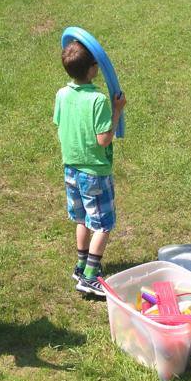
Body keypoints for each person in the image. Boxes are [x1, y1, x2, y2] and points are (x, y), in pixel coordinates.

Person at [54, 39, 126, 297]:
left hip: (70, 169)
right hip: (94, 172)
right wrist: (117, 111)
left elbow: (59, 123)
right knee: (103, 224)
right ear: (94, 69)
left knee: (82, 219)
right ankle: (90, 276)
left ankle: (81, 265)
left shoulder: (61, 94)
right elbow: (103, 139)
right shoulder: (97, 100)